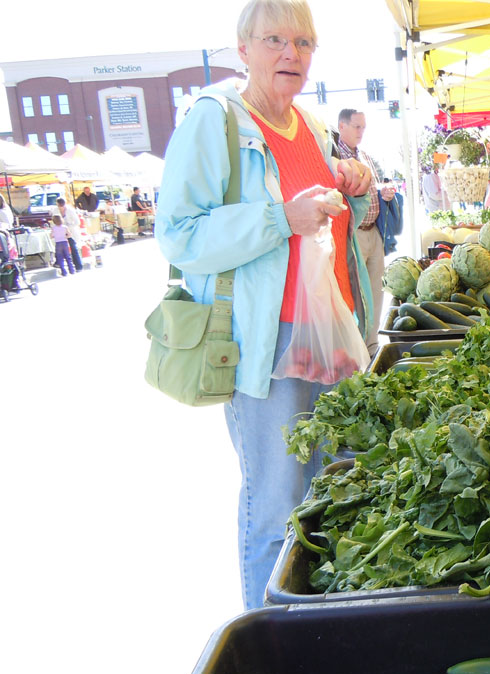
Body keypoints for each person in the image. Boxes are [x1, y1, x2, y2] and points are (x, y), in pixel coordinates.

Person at [155, 0, 374, 611]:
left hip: (329, 335)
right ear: (243, 47)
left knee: (331, 490)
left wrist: (350, 185)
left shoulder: (306, 123)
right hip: (265, 344)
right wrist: (280, 218)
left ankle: (317, 620)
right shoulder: (216, 119)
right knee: (275, 504)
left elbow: (321, 214)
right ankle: (270, 637)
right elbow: (179, 232)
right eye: (274, 39)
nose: (291, 54)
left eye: (303, 43)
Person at [336, 108, 394, 351]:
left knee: (376, 291)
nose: (361, 132)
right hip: (354, 233)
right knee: (358, 292)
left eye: (363, 127)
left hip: (374, 232)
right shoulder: (335, 156)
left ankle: (371, 344)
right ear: (342, 126)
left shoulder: (365, 155)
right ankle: (358, 347)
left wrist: (384, 193)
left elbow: (372, 187)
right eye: (356, 127)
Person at [55, 199, 83, 271]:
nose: (60, 207)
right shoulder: (56, 210)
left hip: (71, 231)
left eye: (61, 206)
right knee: (60, 247)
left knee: (73, 248)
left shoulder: (70, 210)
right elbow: (54, 220)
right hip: (61, 231)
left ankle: (78, 266)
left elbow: (77, 222)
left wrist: (69, 225)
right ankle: (58, 263)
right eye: (59, 206)